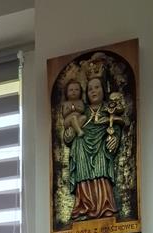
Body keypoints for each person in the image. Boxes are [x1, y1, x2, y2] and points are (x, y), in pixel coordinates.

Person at [65, 53, 124, 220]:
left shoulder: (109, 109)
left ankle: (105, 205)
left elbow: (115, 125)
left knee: (100, 168)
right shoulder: (82, 111)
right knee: (82, 168)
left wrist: (114, 138)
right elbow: (69, 133)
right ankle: (83, 207)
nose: (93, 91)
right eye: (90, 89)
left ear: (103, 89)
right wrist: (70, 133)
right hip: (82, 146)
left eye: (97, 87)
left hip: (101, 146)